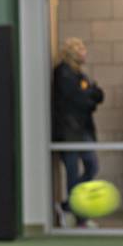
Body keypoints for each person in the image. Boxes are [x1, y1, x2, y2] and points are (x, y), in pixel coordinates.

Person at [52, 37, 105, 228]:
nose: (84, 51)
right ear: (71, 52)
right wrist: (90, 96)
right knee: (72, 173)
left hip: (84, 129)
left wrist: (90, 95)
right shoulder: (63, 73)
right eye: (81, 48)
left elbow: (98, 94)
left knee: (92, 165)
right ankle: (78, 215)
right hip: (68, 131)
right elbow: (77, 100)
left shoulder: (81, 75)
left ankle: (67, 205)